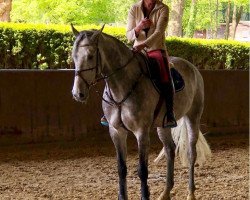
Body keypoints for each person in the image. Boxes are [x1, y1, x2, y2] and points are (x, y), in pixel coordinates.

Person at [101, 0, 177, 128]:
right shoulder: (134, 8)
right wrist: (139, 27)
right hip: (136, 50)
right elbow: (129, 36)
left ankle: (170, 113)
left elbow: (159, 32)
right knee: (117, 72)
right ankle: (108, 111)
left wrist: (144, 45)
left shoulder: (163, 8)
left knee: (165, 76)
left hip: (156, 49)